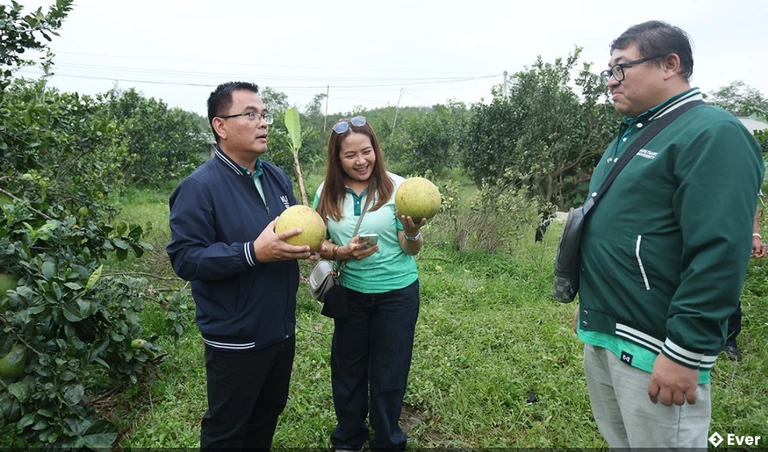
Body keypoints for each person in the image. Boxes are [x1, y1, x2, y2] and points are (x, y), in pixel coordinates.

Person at [572, 21, 764, 449]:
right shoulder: (636, 132)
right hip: (609, 330)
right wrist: (594, 306)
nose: (610, 81)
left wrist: (684, 353)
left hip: (658, 347)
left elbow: (718, 252)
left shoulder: (712, 133)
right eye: (608, 70)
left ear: (669, 65)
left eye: (621, 67)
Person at [167, 81, 321, 449]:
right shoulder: (199, 188)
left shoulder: (276, 177)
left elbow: (282, 236)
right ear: (220, 125)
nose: (263, 123)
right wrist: (251, 252)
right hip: (235, 337)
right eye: (250, 115)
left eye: (264, 115)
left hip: (279, 329)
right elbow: (185, 258)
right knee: (227, 430)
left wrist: (303, 247)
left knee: (266, 416)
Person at [313, 116, 425, 451]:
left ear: (376, 150)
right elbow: (316, 242)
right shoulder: (326, 192)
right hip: (351, 294)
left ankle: (388, 440)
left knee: (390, 371)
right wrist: (341, 251)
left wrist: (413, 232)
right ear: (338, 158)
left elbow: (411, 249)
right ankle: (349, 438)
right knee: (348, 370)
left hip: (397, 295)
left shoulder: (399, 189)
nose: (361, 161)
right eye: (350, 155)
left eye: (367, 151)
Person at [724, 202, 766, 360]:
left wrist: (755, 235)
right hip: (695, 231)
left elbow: (751, 200)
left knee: (729, 287)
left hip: (732, 235)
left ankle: (729, 340)